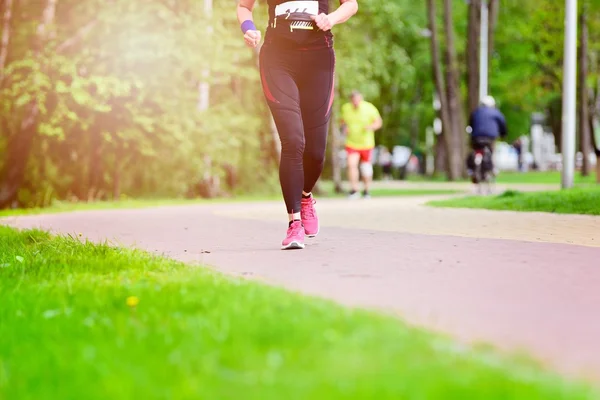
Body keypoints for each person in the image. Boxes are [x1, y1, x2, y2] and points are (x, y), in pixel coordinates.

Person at [237, 0, 358, 250]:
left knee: (315, 153)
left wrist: (332, 18)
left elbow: (351, 5)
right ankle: (294, 223)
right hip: (277, 59)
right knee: (293, 141)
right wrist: (248, 28)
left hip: (319, 61)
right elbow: (243, 6)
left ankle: (305, 197)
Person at [340, 90, 382, 199]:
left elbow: (378, 122)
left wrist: (371, 127)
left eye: (357, 100)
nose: (355, 103)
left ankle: (367, 190)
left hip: (366, 143)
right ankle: (354, 190)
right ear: (351, 100)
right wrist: (345, 129)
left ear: (361, 99)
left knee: (365, 168)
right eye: (353, 101)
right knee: (351, 165)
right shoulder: (346, 108)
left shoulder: (369, 108)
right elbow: (342, 123)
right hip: (352, 143)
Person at [466, 95, 507, 179]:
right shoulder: (496, 113)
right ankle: (493, 168)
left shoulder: (476, 112)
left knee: (475, 150)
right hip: (490, 137)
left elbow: (470, 124)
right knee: (492, 151)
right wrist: (503, 134)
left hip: (476, 137)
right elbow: (503, 124)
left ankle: (471, 169)